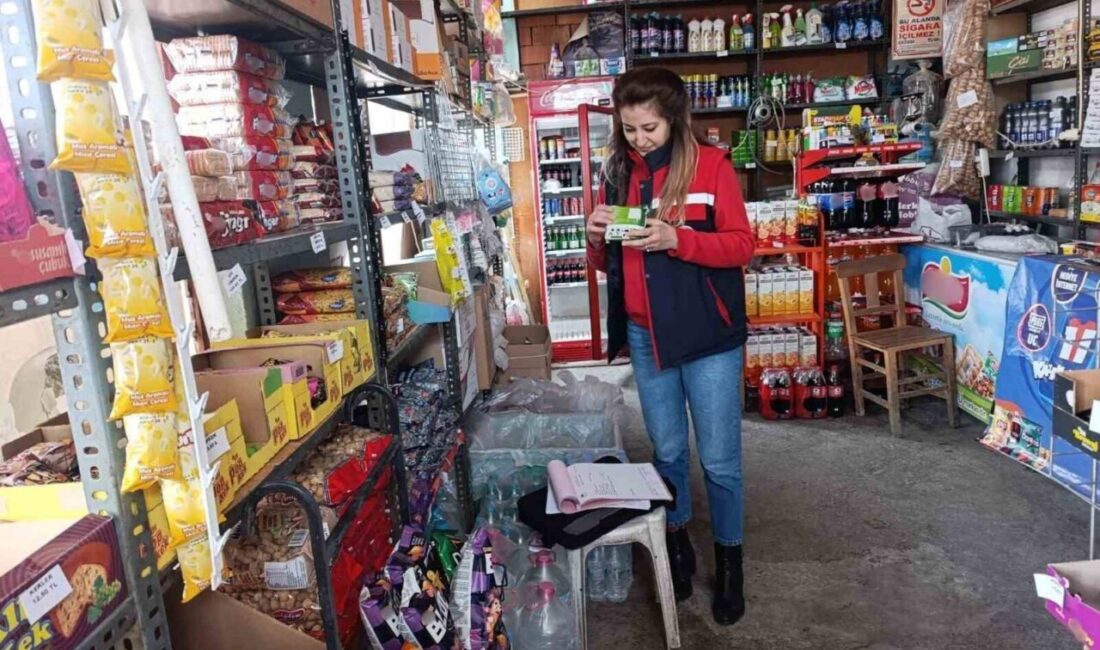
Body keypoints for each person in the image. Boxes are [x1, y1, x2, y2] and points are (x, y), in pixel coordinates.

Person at [585, 67, 754, 625]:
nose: (639, 139)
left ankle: (729, 562)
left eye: (649, 128)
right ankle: (676, 545)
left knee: (721, 461)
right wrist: (594, 236)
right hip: (645, 332)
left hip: (707, 335)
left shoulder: (712, 166)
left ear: (676, 118)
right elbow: (605, 262)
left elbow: (741, 247)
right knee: (668, 454)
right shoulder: (617, 172)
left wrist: (677, 240)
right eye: (629, 128)